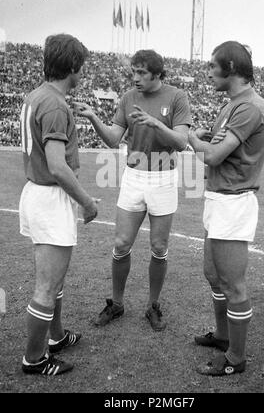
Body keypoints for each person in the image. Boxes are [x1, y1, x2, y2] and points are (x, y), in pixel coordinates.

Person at [74, 49, 191, 331]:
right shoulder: (127, 98)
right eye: (134, 72)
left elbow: (181, 142)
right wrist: (93, 118)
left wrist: (156, 124)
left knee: (159, 247)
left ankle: (153, 306)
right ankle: (116, 303)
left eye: (142, 73)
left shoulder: (177, 97)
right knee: (121, 244)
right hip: (134, 177)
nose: (136, 78)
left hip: (163, 179)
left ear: (158, 74)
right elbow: (114, 139)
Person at [188, 41, 264, 376]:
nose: (208, 72)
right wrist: (208, 138)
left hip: (234, 201)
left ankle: (236, 358)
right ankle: (224, 337)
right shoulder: (234, 104)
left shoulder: (250, 106)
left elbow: (212, 156)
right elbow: (221, 147)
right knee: (213, 274)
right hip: (220, 197)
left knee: (233, 284)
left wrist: (193, 139)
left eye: (212, 66)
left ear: (232, 68)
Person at [19, 34, 99, 376]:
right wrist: (87, 202)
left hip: (37, 194)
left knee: (55, 280)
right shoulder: (54, 104)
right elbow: (56, 165)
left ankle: (56, 337)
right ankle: (34, 359)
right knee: (48, 285)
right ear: (73, 67)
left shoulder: (37, 95)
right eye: (80, 66)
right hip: (50, 197)